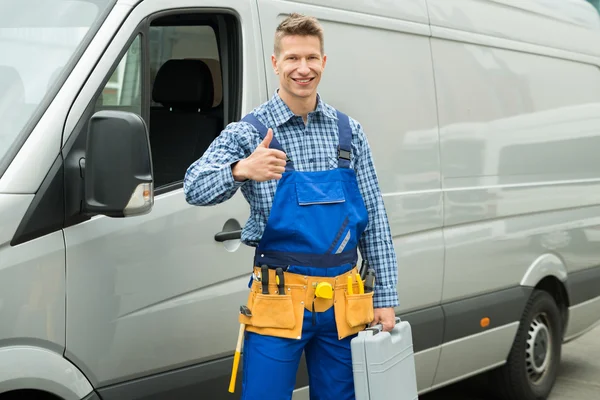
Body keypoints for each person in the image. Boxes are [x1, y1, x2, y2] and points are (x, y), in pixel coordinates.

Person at [183, 12, 399, 400]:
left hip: (345, 304)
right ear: (275, 63)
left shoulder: (348, 132)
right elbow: (193, 187)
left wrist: (385, 297)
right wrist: (241, 169)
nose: (303, 69)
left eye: (311, 58)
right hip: (277, 302)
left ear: (324, 62)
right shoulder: (249, 132)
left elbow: (375, 222)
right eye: (293, 59)